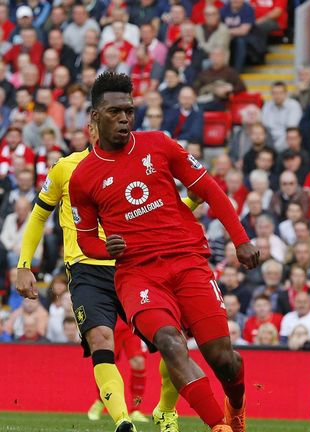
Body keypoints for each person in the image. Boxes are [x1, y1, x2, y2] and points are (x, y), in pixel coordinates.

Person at [69, 73, 259, 432]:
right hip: (138, 275)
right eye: (115, 112)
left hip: (189, 263)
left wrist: (241, 239)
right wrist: (103, 247)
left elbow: (211, 190)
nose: (125, 118)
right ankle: (219, 426)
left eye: (129, 110)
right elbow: (85, 240)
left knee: (223, 360)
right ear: (95, 116)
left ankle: (236, 403)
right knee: (171, 343)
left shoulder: (160, 144)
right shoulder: (83, 177)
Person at [14, 123, 192, 431]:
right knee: (100, 340)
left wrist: (192, 202)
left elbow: (158, 215)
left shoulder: (135, 166)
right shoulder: (64, 168)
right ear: (90, 128)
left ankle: (165, 410)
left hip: (133, 265)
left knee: (173, 341)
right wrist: (23, 264)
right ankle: (123, 421)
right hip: (86, 268)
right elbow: (39, 214)